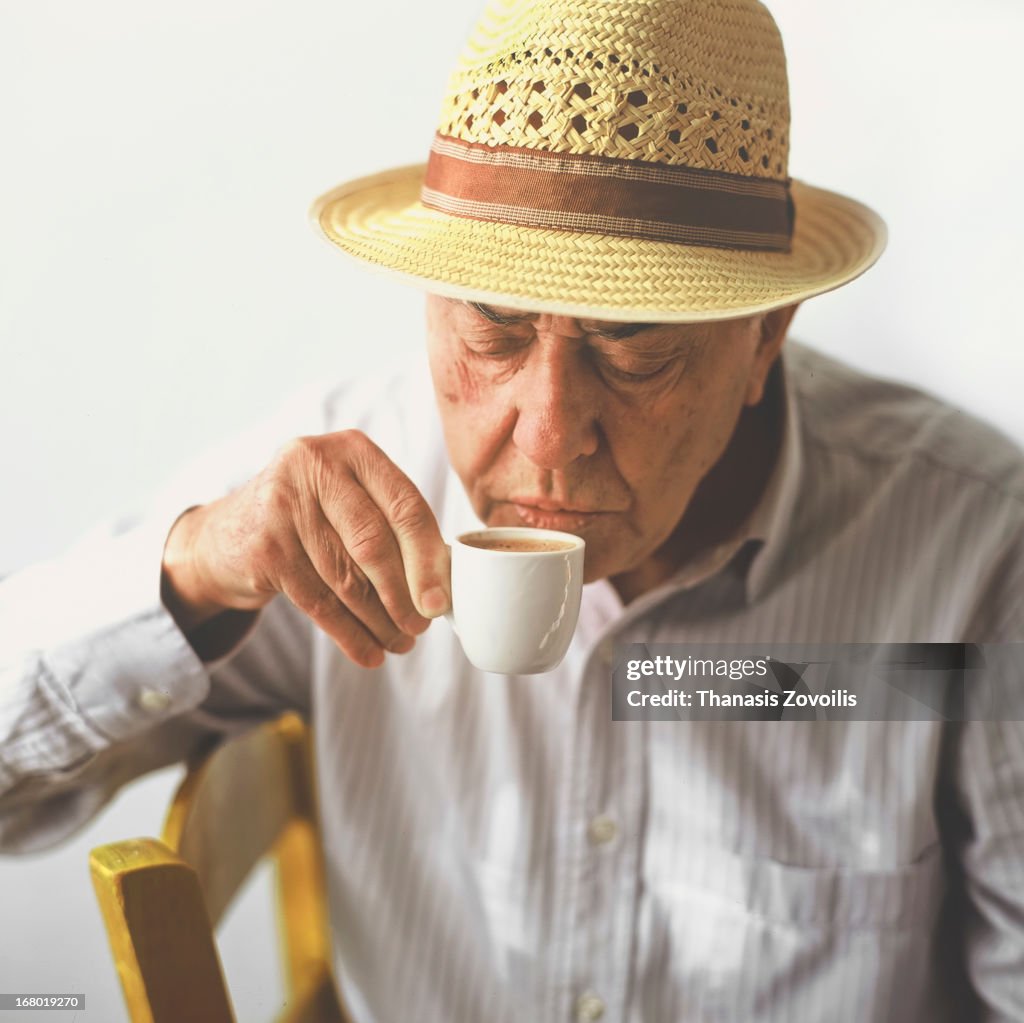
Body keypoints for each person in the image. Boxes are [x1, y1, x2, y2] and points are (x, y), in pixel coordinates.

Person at [2, 0, 1022, 1019]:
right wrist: (190, 574)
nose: (546, 433)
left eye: (631, 343)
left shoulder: (973, 555)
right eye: (492, 329)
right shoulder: (340, 500)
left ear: (763, 337)